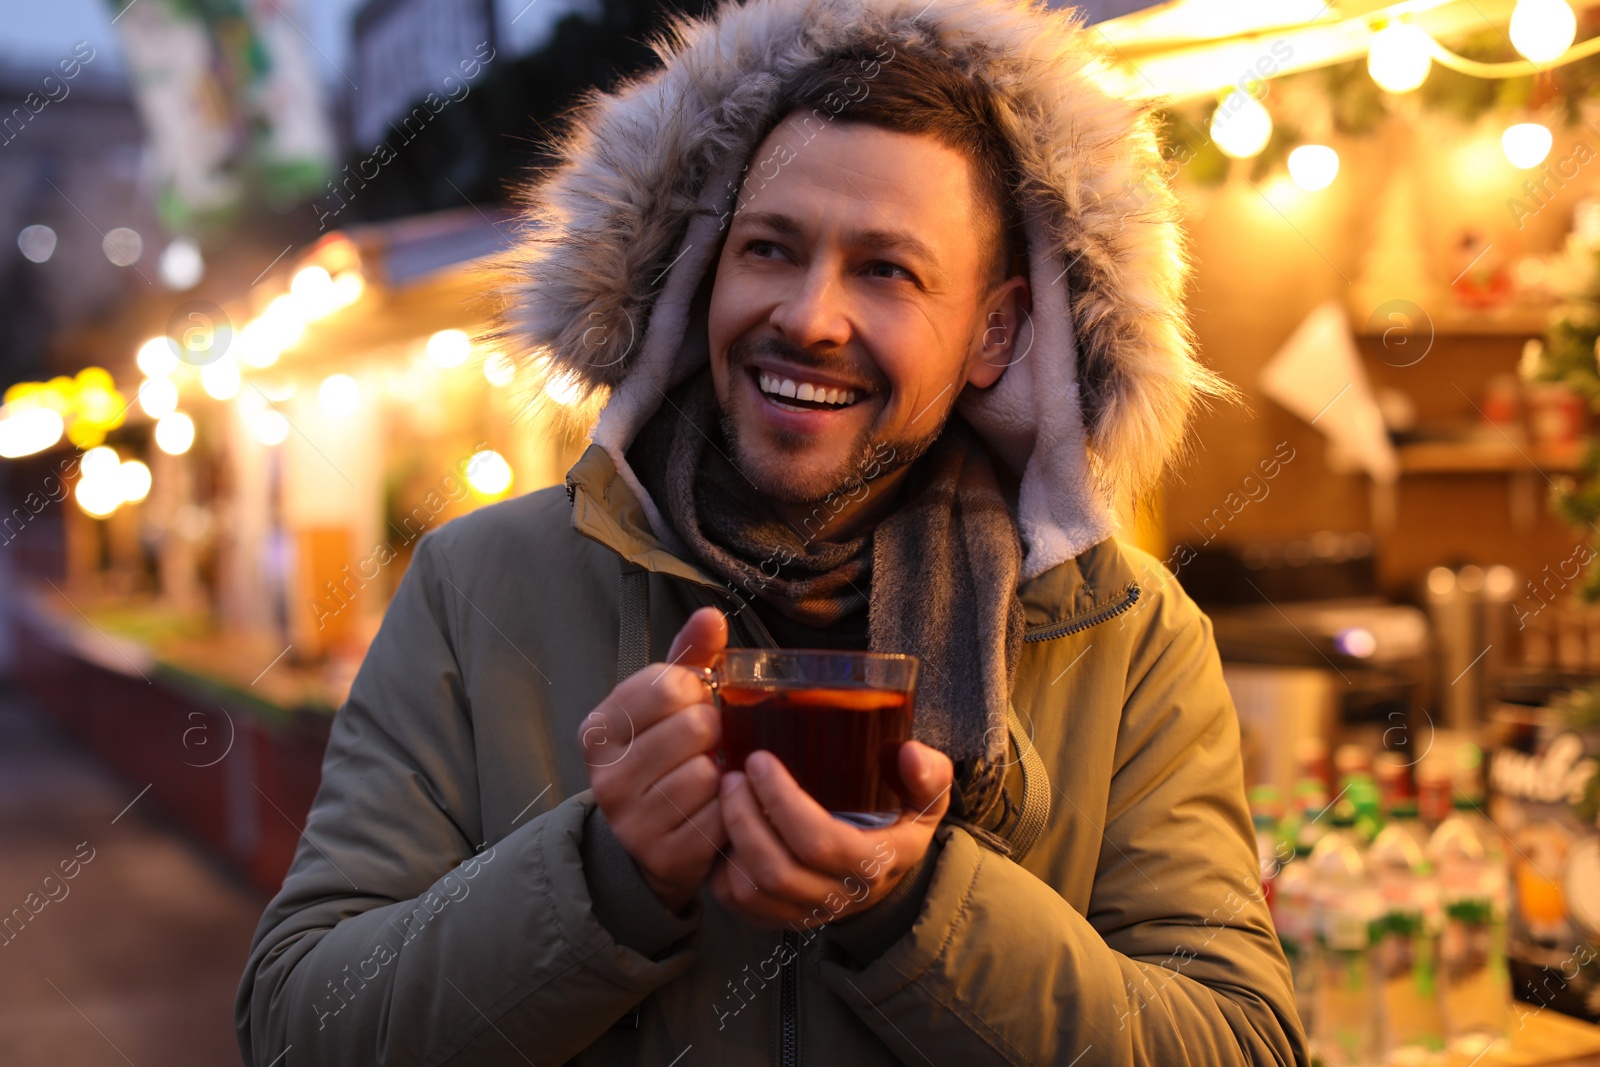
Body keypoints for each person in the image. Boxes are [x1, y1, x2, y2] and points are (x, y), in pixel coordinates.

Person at [236, 0, 1309, 1063]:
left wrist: (919, 911)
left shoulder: (1124, 637)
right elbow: (301, 1028)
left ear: (996, 331)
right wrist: (604, 881)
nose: (808, 316)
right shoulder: (477, 588)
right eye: (770, 248)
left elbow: (1242, 1042)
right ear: (704, 272)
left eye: (886, 269)